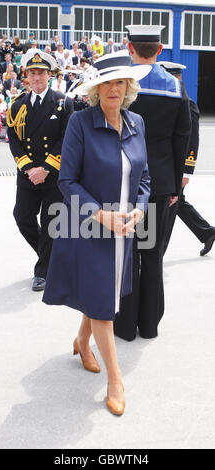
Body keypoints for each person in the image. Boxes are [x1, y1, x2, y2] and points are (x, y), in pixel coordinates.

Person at [42, 51, 151, 416]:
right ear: (95, 89)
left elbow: (145, 177)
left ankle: (81, 341)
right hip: (89, 227)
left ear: (128, 87)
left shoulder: (137, 122)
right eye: (106, 83)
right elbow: (67, 180)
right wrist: (101, 215)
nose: (113, 89)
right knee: (104, 304)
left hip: (126, 228)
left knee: (102, 291)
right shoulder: (80, 123)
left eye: (119, 82)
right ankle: (115, 379)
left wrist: (139, 207)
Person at [114, 25, 191, 341]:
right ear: (160, 51)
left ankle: (124, 324)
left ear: (129, 48)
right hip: (158, 185)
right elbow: (182, 137)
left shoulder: (118, 82)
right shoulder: (174, 87)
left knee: (126, 252)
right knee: (152, 252)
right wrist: (176, 187)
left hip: (122, 181)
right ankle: (149, 325)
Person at [7, 49, 73, 291]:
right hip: (27, 176)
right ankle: (52, 258)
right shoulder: (17, 106)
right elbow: (13, 139)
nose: (36, 78)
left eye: (41, 73)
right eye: (32, 73)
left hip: (53, 175)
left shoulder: (63, 102)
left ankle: (42, 271)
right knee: (22, 217)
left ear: (49, 75)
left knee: (50, 223)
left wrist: (45, 168)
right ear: (26, 76)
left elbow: (67, 139)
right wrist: (29, 168)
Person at [158, 61, 215, 256]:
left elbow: (193, 140)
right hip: (168, 165)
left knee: (169, 208)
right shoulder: (172, 100)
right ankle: (207, 232)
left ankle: (158, 253)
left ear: (177, 78)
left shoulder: (187, 103)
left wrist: (186, 171)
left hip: (179, 166)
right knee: (176, 202)